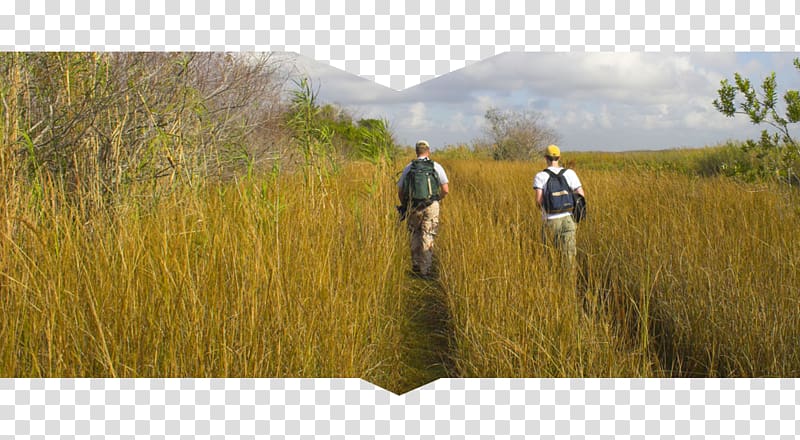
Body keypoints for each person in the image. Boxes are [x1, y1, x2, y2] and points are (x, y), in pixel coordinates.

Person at [397, 140, 449, 278]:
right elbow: (445, 189)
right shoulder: (436, 166)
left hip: (413, 206)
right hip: (431, 205)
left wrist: (406, 205)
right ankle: (425, 270)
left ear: (416, 151)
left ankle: (415, 265)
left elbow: (400, 191)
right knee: (428, 234)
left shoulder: (409, 167)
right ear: (428, 151)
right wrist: (436, 199)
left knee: (415, 233)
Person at [533, 144, 585, 269]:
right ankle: (569, 284)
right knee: (569, 256)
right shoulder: (570, 173)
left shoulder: (540, 176)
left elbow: (539, 201)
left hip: (550, 220)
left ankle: (554, 283)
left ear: (546, 158)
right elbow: (581, 194)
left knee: (550, 255)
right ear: (559, 157)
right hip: (568, 219)